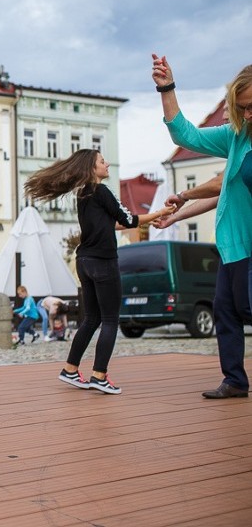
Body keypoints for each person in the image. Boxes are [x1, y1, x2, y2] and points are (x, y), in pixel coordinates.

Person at [24, 149, 174, 395]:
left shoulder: (83, 194)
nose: (107, 164)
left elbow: (111, 223)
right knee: (111, 320)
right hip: (103, 261)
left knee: (91, 319)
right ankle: (99, 376)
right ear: (92, 168)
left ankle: (70, 369)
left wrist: (151, 219)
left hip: (84, 261)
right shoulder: (102, 191)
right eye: (102, 161)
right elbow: (127, 220)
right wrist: (161, 213)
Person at [152, 55, 252, 399]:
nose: (248, 114)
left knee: (246, 308)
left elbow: (220, 182)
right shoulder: (238, 137)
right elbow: (185, 133)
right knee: (226, 311)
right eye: (243, 109)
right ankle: (236, 380)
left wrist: (183, 196)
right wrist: (166, 87)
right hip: (233, 244)